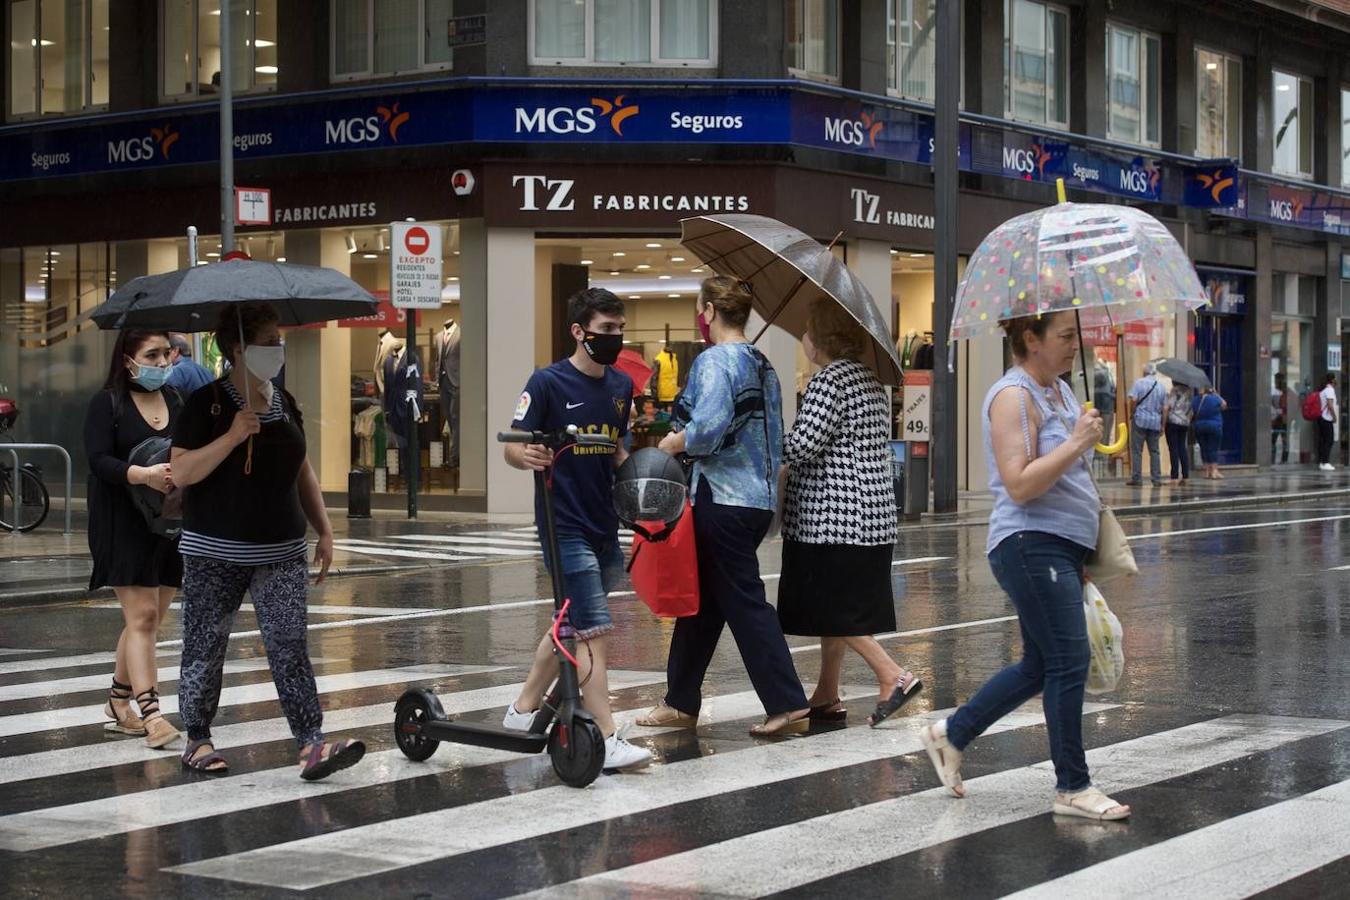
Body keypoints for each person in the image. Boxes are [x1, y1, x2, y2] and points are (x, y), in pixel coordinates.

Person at [920, 310, 1130, 821]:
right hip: (1028, 543)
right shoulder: (1012, 396)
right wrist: (1079, 441)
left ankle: (953, 734)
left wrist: (1079, 552)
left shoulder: (1056, 391)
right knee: (1068, 661)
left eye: (1075, 335)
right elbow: (1019, 483)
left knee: (1041, 664)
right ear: (1030, 339)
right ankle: (1073, 787)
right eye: (1064, 336)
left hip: (1059, 547)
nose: (1074, 345)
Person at [171, 302, 364, 780]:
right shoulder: (206, 405)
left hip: (280, 550)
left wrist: (323, 527)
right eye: (269, 341)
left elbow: (302, 467)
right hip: (214, 550)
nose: (279, 349)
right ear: (239, 348)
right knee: (205, 643)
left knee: (288, 642)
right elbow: (181, 472)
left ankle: (311, 742)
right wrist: (233, 436)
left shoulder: (283, 400)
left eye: (279, 341)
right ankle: (197, 738)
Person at [638, 276, 811, 737]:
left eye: (700, 308)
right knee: (705, 603)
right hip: (755, 498)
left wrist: (673, 442)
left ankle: (788, 703)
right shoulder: (761, 363)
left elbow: (708, 430)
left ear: (711, 311)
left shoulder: (716, 361)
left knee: (743, 601)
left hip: (721, 497)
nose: (700, 316)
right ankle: (680, 701)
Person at [500, 287, 652, 771]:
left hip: (604, 524)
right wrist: (524, 454)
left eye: (620, 330)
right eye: (607, 330)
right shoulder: (547, 383)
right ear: (579, 331)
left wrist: (647, 480)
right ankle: (604, 736)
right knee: (593, 632)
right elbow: (513, 444)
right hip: (562, 524)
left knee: (571, 623)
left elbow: (617, 450)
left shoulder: (620, 387)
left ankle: (522, 710)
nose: (615, 338)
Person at [777, 299, 922, 727]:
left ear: (819, 338)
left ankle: (892, 675)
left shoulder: (829, 382)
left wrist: (767, 440)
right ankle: (827, 692)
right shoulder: (870, 382)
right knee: (842, 606)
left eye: (807, 329)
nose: (803, 337)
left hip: (831, 518)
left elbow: (802, 445)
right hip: (872, 515)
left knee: (832, 608)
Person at [83, 329, 184, 749]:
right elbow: (97, 459)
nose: (162, 363)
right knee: (142, 617)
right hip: (121, 521)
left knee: (148, 619)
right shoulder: (108, 403)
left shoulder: (178, 401)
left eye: (166, 354)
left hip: (168, 520)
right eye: (152, 355)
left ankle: (117, 702)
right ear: (128, 360)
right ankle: (152, 714)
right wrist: (141, 474)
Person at [1125, 363, 1164, 486]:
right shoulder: (1161, 386)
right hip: (1155, 422)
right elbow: (1165, 407)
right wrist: (1163, 424)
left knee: (1137, 450)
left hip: (1140, 420)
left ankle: (1137, 478)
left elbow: (1134, 399)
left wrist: (1132, 412)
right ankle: (1156, 479)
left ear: (1144, 372)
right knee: (1155, 451)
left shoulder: (1139, 383)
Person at [1162, 381, 1194, 485]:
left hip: (1173, 422)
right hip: (1184, 422)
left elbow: (1167, 407)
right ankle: (1185, 476)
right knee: (1182, 448)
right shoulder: (1189, 392)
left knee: (1173, 449)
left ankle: (1174, 477)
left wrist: (1163, 424)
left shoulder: (1175, 391)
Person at [1192, 386, 1227, 479]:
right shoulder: (1214, 398)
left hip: (1199, 426)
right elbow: (1224, 405)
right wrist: (1216, 394)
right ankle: (1214, 471)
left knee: (1204, 448)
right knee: (1213, 448)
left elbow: (1192, 412)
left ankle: (1207, 471)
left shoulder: (1195, 400)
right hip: (1214, 425)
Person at [1317, 373, 1338, 471]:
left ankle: (1322, 462)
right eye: (1335, 378)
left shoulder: (1323, 390)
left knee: (1323, 441)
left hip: (1321, 418)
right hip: (1326, 419)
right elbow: (1330, 405)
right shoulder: (1330, 390)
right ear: (1332, 380)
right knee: (1329, 441)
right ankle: (1325, 462)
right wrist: (1334, 417)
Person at [1272, 372, 1290, 465]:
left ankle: (1284, 460)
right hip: (1276, 420)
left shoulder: (1286, 392)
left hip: (1282, 420)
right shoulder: (1275, 392)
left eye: (1277, 380)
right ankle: (1273, 460)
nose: (1276, 382)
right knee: (1273, 440)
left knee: (1284, 441)